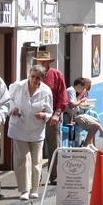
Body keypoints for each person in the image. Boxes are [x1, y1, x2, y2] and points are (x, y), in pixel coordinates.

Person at [7, 65, 53, 200]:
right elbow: (7, 100)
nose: (34, 79)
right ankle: (24, 190)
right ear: (29, 75)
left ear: (42, 78)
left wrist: (44, 115)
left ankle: (34, 189)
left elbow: (49, 111)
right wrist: (13, 109)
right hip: (19, 127)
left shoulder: (46, 91)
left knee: (36, 161)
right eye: (32, 76)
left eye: (38, 77)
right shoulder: (18, 86)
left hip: (36, 129)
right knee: (22, 159)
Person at [33, 50, 67, 185]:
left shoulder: (57, 75)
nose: (41, 63)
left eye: (44, 61)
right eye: (39, 61)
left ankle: (54, 175)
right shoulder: (32, 75)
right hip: (35, 116)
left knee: (53, 144)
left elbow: (62, 97)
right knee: (36, 146)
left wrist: (57, 114)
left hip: (52, 114)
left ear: (48, 62)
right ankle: (36, 177)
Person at [66, 77, 103, 147]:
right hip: (74, 115)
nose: (83, 90)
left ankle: (90, 143)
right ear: (79, 85)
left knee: (96, 121)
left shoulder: (73, 91)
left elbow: (75, 101)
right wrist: (81, 101)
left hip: (77, 113)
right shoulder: (70, 91)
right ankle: (86, 144)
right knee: (96, 126)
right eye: (83, 88)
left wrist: (81, 96)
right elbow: (72, 105)